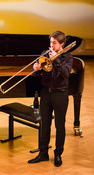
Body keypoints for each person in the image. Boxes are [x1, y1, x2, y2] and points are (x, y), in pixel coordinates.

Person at [28, 31, 73, 167]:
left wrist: (56, 59)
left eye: (54, 43)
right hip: (46, 93)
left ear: (62, 44)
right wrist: (35, 69)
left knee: (60, 126)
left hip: (60, 94)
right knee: (44, 124)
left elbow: (65, 74)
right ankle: (43, 153)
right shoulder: (45, 53)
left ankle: (58, 154)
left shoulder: (68, 57)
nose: (51, 45)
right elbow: (38, 73)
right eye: (50, 42)